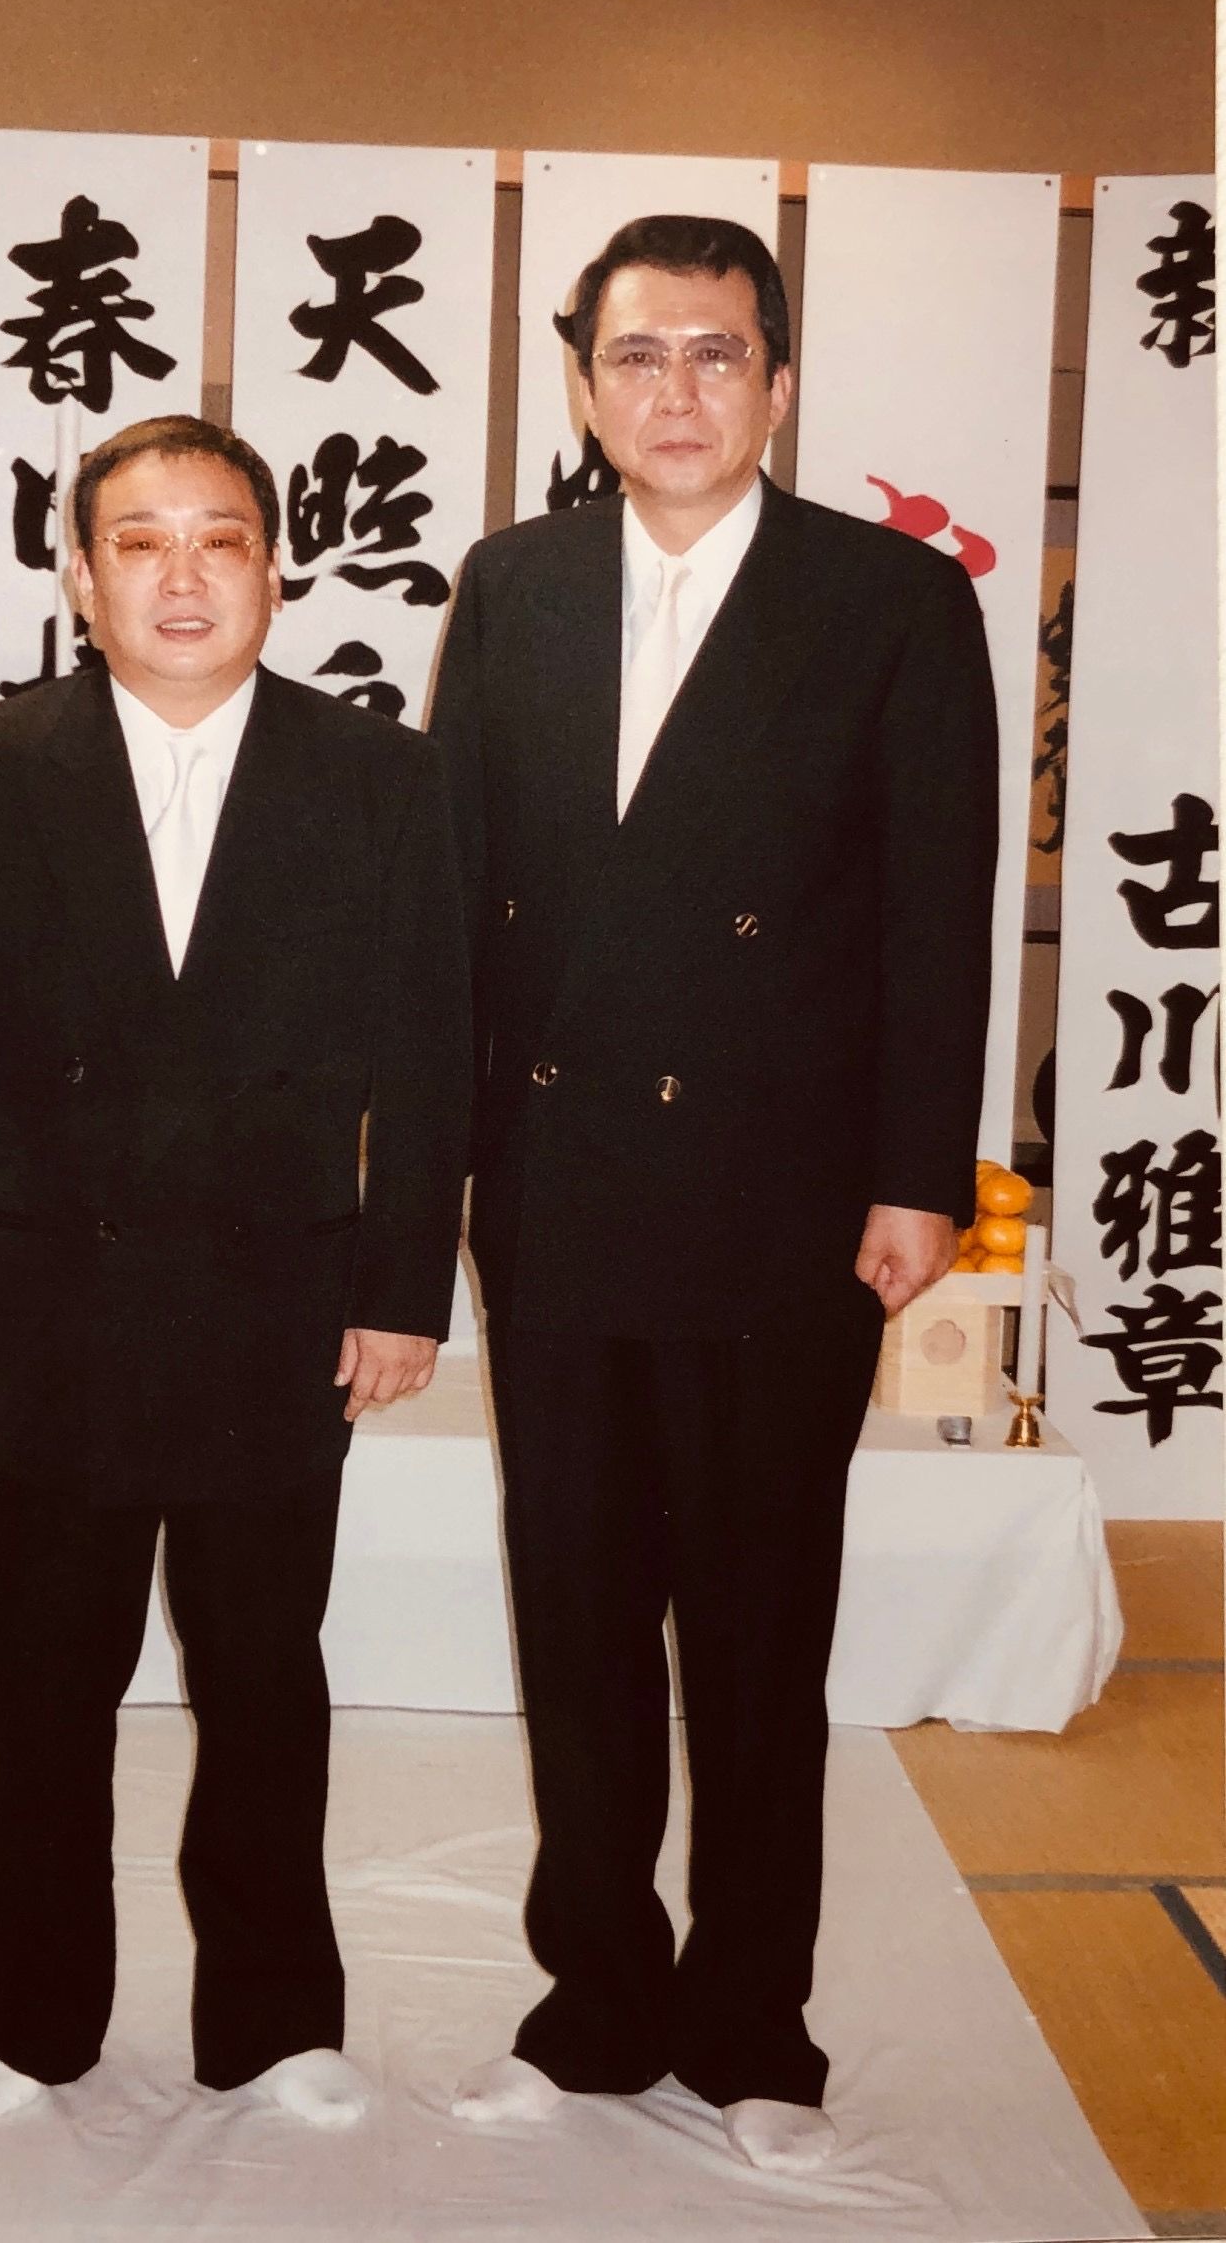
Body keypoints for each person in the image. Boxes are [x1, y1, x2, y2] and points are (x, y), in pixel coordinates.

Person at [428, 216, 999, 2171]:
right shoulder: (514, 585)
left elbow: (936, 916)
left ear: (779, 381)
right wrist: (438, 1179)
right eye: (638, 354)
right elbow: (456, 901)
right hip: (560, 1180)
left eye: (716, 354)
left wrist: (919, 1178)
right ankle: (593, 2002)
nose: (676, 390)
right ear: (584, 384)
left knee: (758, 1626)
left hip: (785, 1193)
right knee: (578, 1612)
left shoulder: (890, 602)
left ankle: (757, 2025)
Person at [0, 414, 471, 2131]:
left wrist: (401, 1288)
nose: (182, 576)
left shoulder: (380, 777)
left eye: (220, 539)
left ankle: (276, 2023)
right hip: (40, 1306)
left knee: (266, 1678)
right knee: (50, 1685)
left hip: (281, 1311)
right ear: (80, 576)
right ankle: (35, 2025)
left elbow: (431, 1056)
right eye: (140, 541)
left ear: (275, 570)